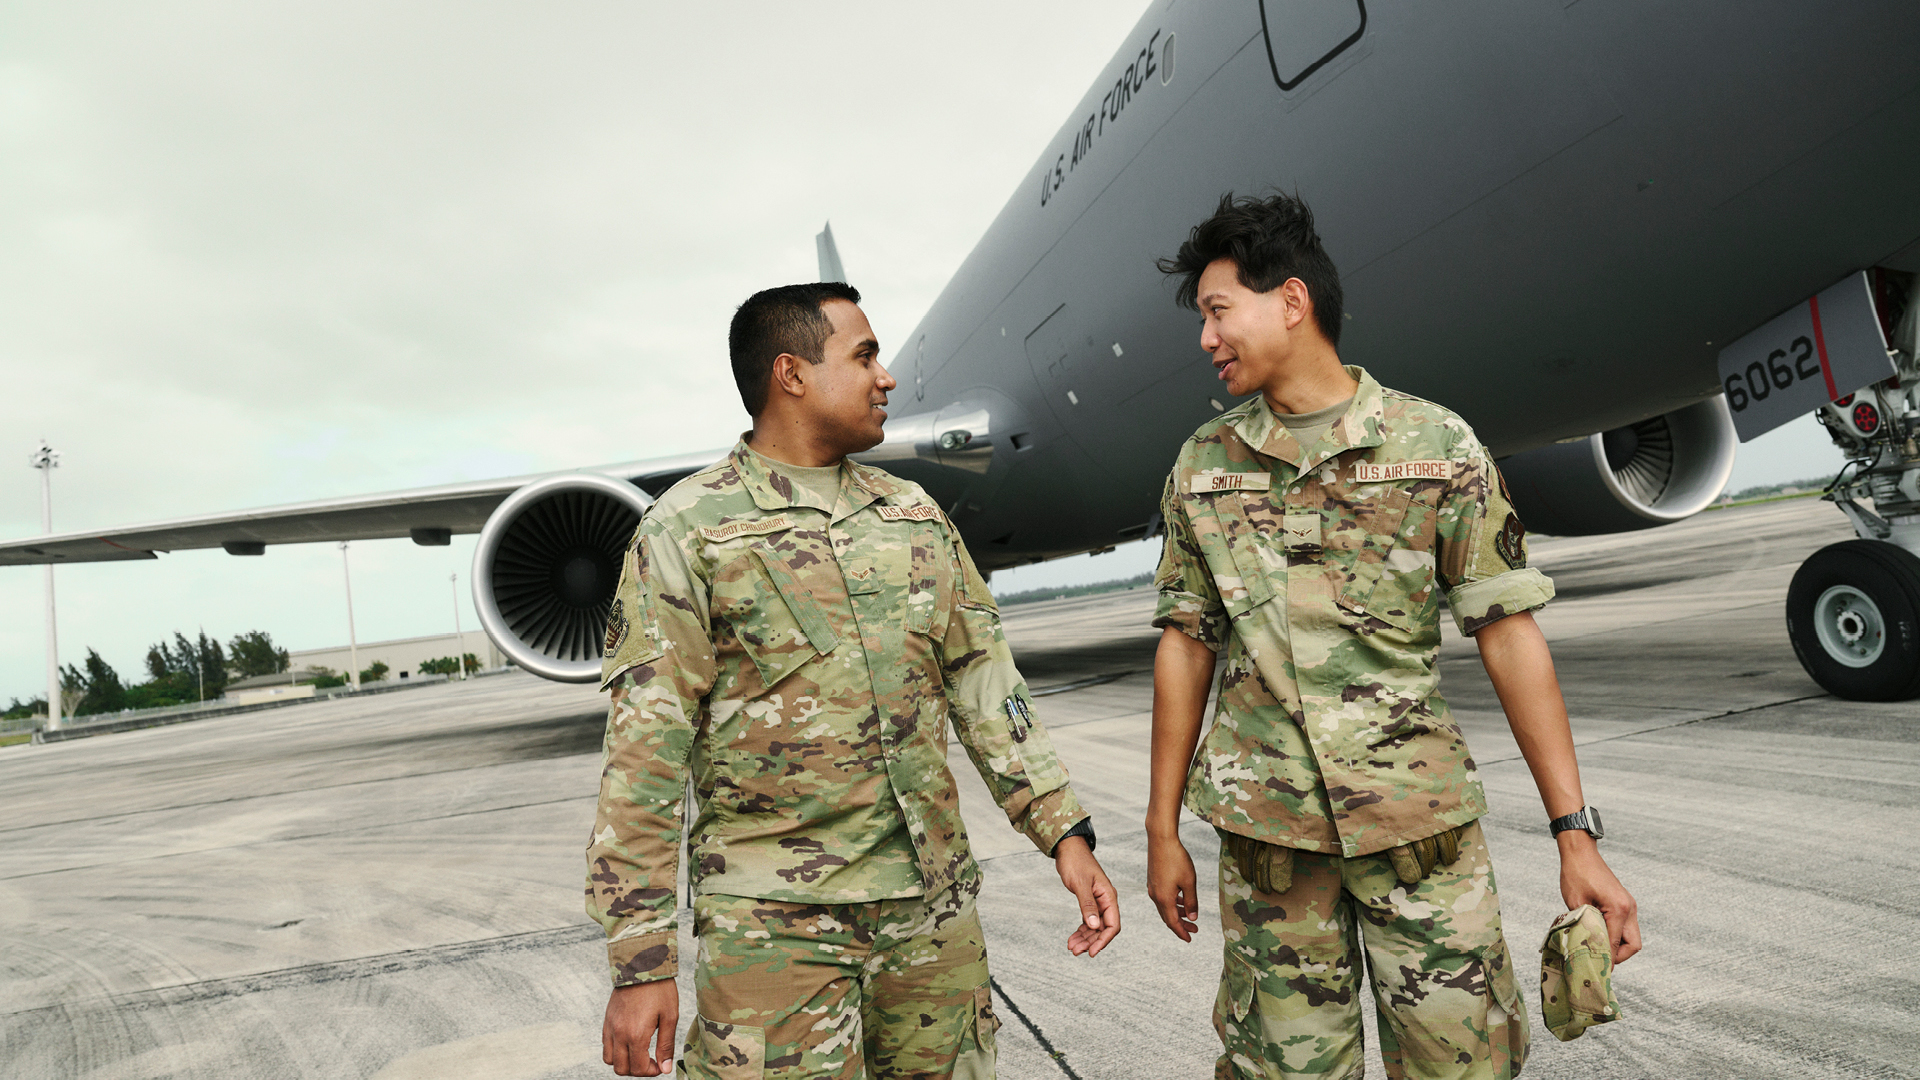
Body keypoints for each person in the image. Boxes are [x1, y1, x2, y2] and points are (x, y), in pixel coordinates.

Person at [1144, 193, 1641, 1080]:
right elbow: (1186, 642)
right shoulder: (1202, 466)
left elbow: (1508, 633)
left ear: (1291, 301)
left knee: (1465, 1068)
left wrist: (1576, 833)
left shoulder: (1436, 444)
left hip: (1423, 844)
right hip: (1270, 854)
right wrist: (1160, 828)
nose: (1207, 338)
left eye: (1218, 311)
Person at [590, 281, 1121, 1078]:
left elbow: (987, 688)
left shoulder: (914, 516)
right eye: (865, 356)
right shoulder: (687, 533)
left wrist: (1064, 833)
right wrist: (641, 959)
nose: (887, 377)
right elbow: (646, 755)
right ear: (791, 374)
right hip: (776, 932)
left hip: (931, 916)